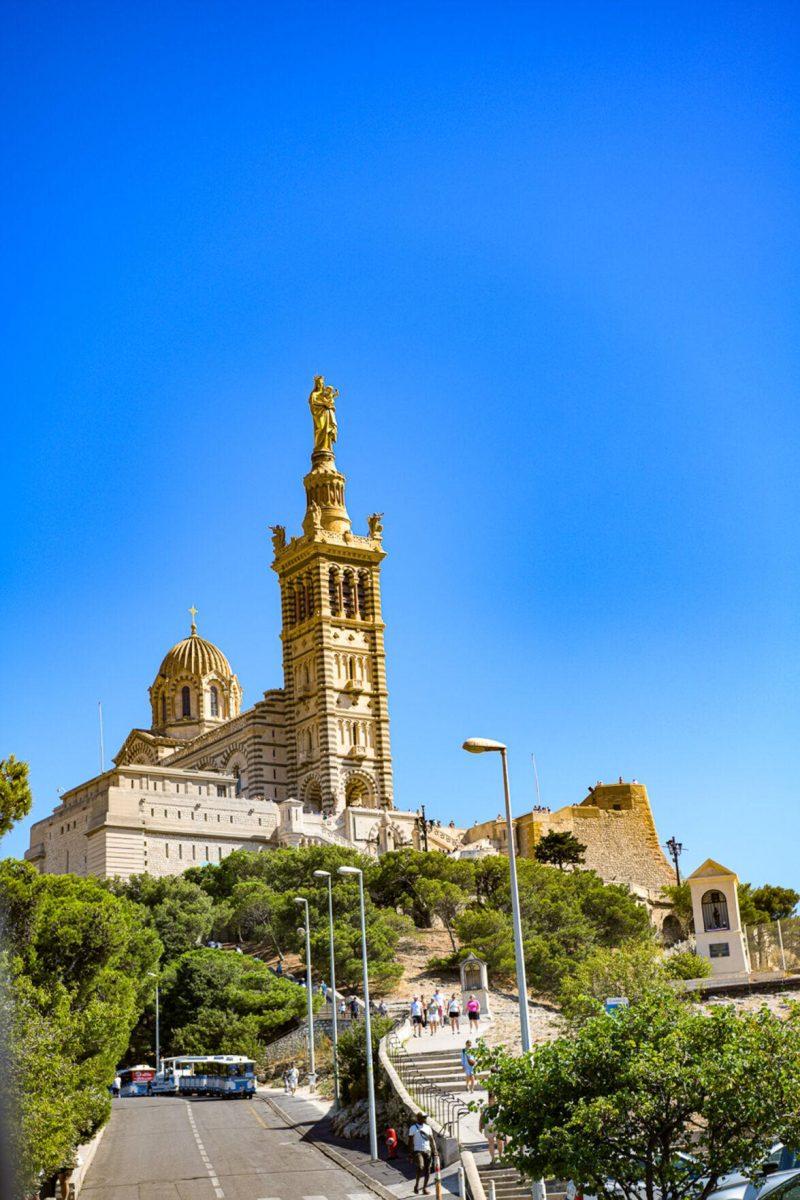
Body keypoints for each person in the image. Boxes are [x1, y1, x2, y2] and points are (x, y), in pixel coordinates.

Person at [408, 1111, 434, 1195]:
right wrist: (410, 1154)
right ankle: (416, 1185)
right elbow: (410, 1141)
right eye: (424, 1117)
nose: (425, 1119)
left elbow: (432, 1140)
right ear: (419, 1118)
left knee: (428, 1170)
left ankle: (424, 1188)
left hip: (427, 1150)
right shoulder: (413, 1128)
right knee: (420, 1166)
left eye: (426, 1117)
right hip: (417, 1151)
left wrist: (435, 1151)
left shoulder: (428, 1127)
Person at [480, 1092, 505, 1164]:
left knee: (500, 1142)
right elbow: (481, 1117)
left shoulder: (500, 1108)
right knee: (491, 1143)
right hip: (488, 1126)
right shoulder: (486, 1108)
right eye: (492, 1099)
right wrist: (480, 1126)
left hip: (499, 1126)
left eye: (495, 1099)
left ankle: (500, 1156)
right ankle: (493, 1159)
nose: (493, 1100)